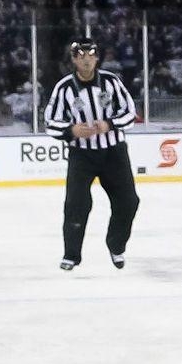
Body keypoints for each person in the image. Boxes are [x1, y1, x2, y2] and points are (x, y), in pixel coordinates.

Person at [42, 37, 139, 271]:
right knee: (76, 204)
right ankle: (71, 255)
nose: (86, 60)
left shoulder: (111, 82)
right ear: (74, 60)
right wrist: (70, 130)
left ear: (97, 58)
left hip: (114, 153)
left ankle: (116, 244)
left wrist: (110, 124)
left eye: (90, 55)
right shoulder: (64, 87)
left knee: (128, 201)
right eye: (80, 56)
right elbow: (50, 122)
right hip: (82, 155)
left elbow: (130, 113)